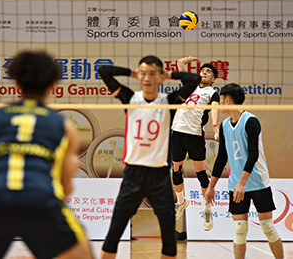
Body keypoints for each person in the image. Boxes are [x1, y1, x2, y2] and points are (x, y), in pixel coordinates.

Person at [0, 51, 93, 259]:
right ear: (52, 86)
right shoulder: (64, 126)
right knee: (85, 253)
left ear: (17, 85)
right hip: (41, 200)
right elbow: (65, 187)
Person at [98, 56, 201, 259]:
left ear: (160, 77)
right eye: (143, 73)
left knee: (169, 240)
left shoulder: (169, 102)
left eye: (153, 74)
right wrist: (132, 73)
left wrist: (168, 75)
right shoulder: (130, 98)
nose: (147, 78)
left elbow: (194, 79)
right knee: (113, 234)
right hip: (133, 175)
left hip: (160, 177)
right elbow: (103, 71)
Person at [205, 83, 284, 259]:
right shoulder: (225, 126)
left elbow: (253, 154)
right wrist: (211, 187)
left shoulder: (251, 121)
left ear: (228, 100)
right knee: (240, 230)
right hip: (236, 185)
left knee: (268, 227)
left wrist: (243, 183)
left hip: (257, 182)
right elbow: (221, 158)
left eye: (221, 99)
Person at [171, 60, 220, 231]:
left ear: (213, 79)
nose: (205, 72)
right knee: (176, 170)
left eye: (209, 72)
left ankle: (207, 209)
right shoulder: (190, 84)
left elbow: (214, 108)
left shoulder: (212, 92)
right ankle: (181, 201)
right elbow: (180, 63)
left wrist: (215, 124)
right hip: (177, 132)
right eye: (203, 70)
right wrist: (188, 59)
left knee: (201, 174)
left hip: (194, 135)